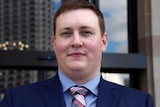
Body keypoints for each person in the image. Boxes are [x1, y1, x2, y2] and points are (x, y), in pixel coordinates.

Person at [0, 0, 154, 107]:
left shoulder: (139, 103)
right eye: (66, 33)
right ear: (54, 43)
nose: (76, 41)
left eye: (86, 32)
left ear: (104, 42)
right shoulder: (17, 101)